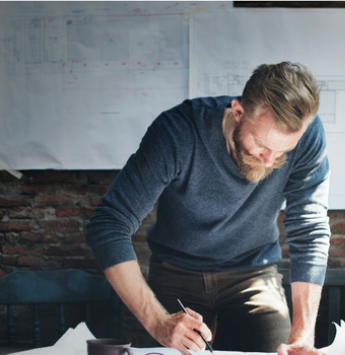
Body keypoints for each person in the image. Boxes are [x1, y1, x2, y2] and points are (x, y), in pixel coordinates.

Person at [86, 62, 331, 355]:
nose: (270, 162)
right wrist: (158, 321)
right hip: (177, 272)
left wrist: (303, 335)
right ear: (238, 113)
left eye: (284, 151)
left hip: (254, 274)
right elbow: (109, 224)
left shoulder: (309, 134)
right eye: (262, 145)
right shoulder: (177, 132)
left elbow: (310, 230)